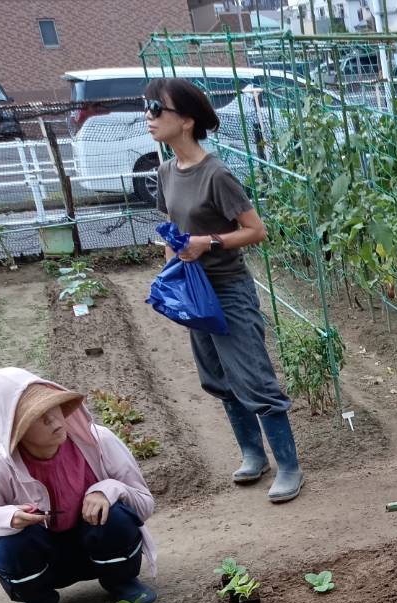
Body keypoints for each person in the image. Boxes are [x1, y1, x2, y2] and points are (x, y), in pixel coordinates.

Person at [146, 76, 304, 504]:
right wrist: (171, 272)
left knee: (253, 377)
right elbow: (173, 230)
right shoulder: (165, 172)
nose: (149, 116)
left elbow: (256, 231)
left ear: (187, 120)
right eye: (148, 108)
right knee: (216, 377)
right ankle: (253, 455)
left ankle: (289, 466)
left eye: (157, 109)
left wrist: (209, 242)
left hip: (228, 288)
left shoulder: (216, 175)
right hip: (194, 288)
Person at [0, 368, 158, 603]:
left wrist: (108, 489)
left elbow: (145, 504)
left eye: (53, 408)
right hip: (45, 559)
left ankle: (121, 582)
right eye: (38, 417)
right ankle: (39, 601)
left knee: (116, 515)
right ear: (15, 429)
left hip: (97, 546)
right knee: (8, 540)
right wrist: (7, 518)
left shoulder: (99, 441)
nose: (54, 420)